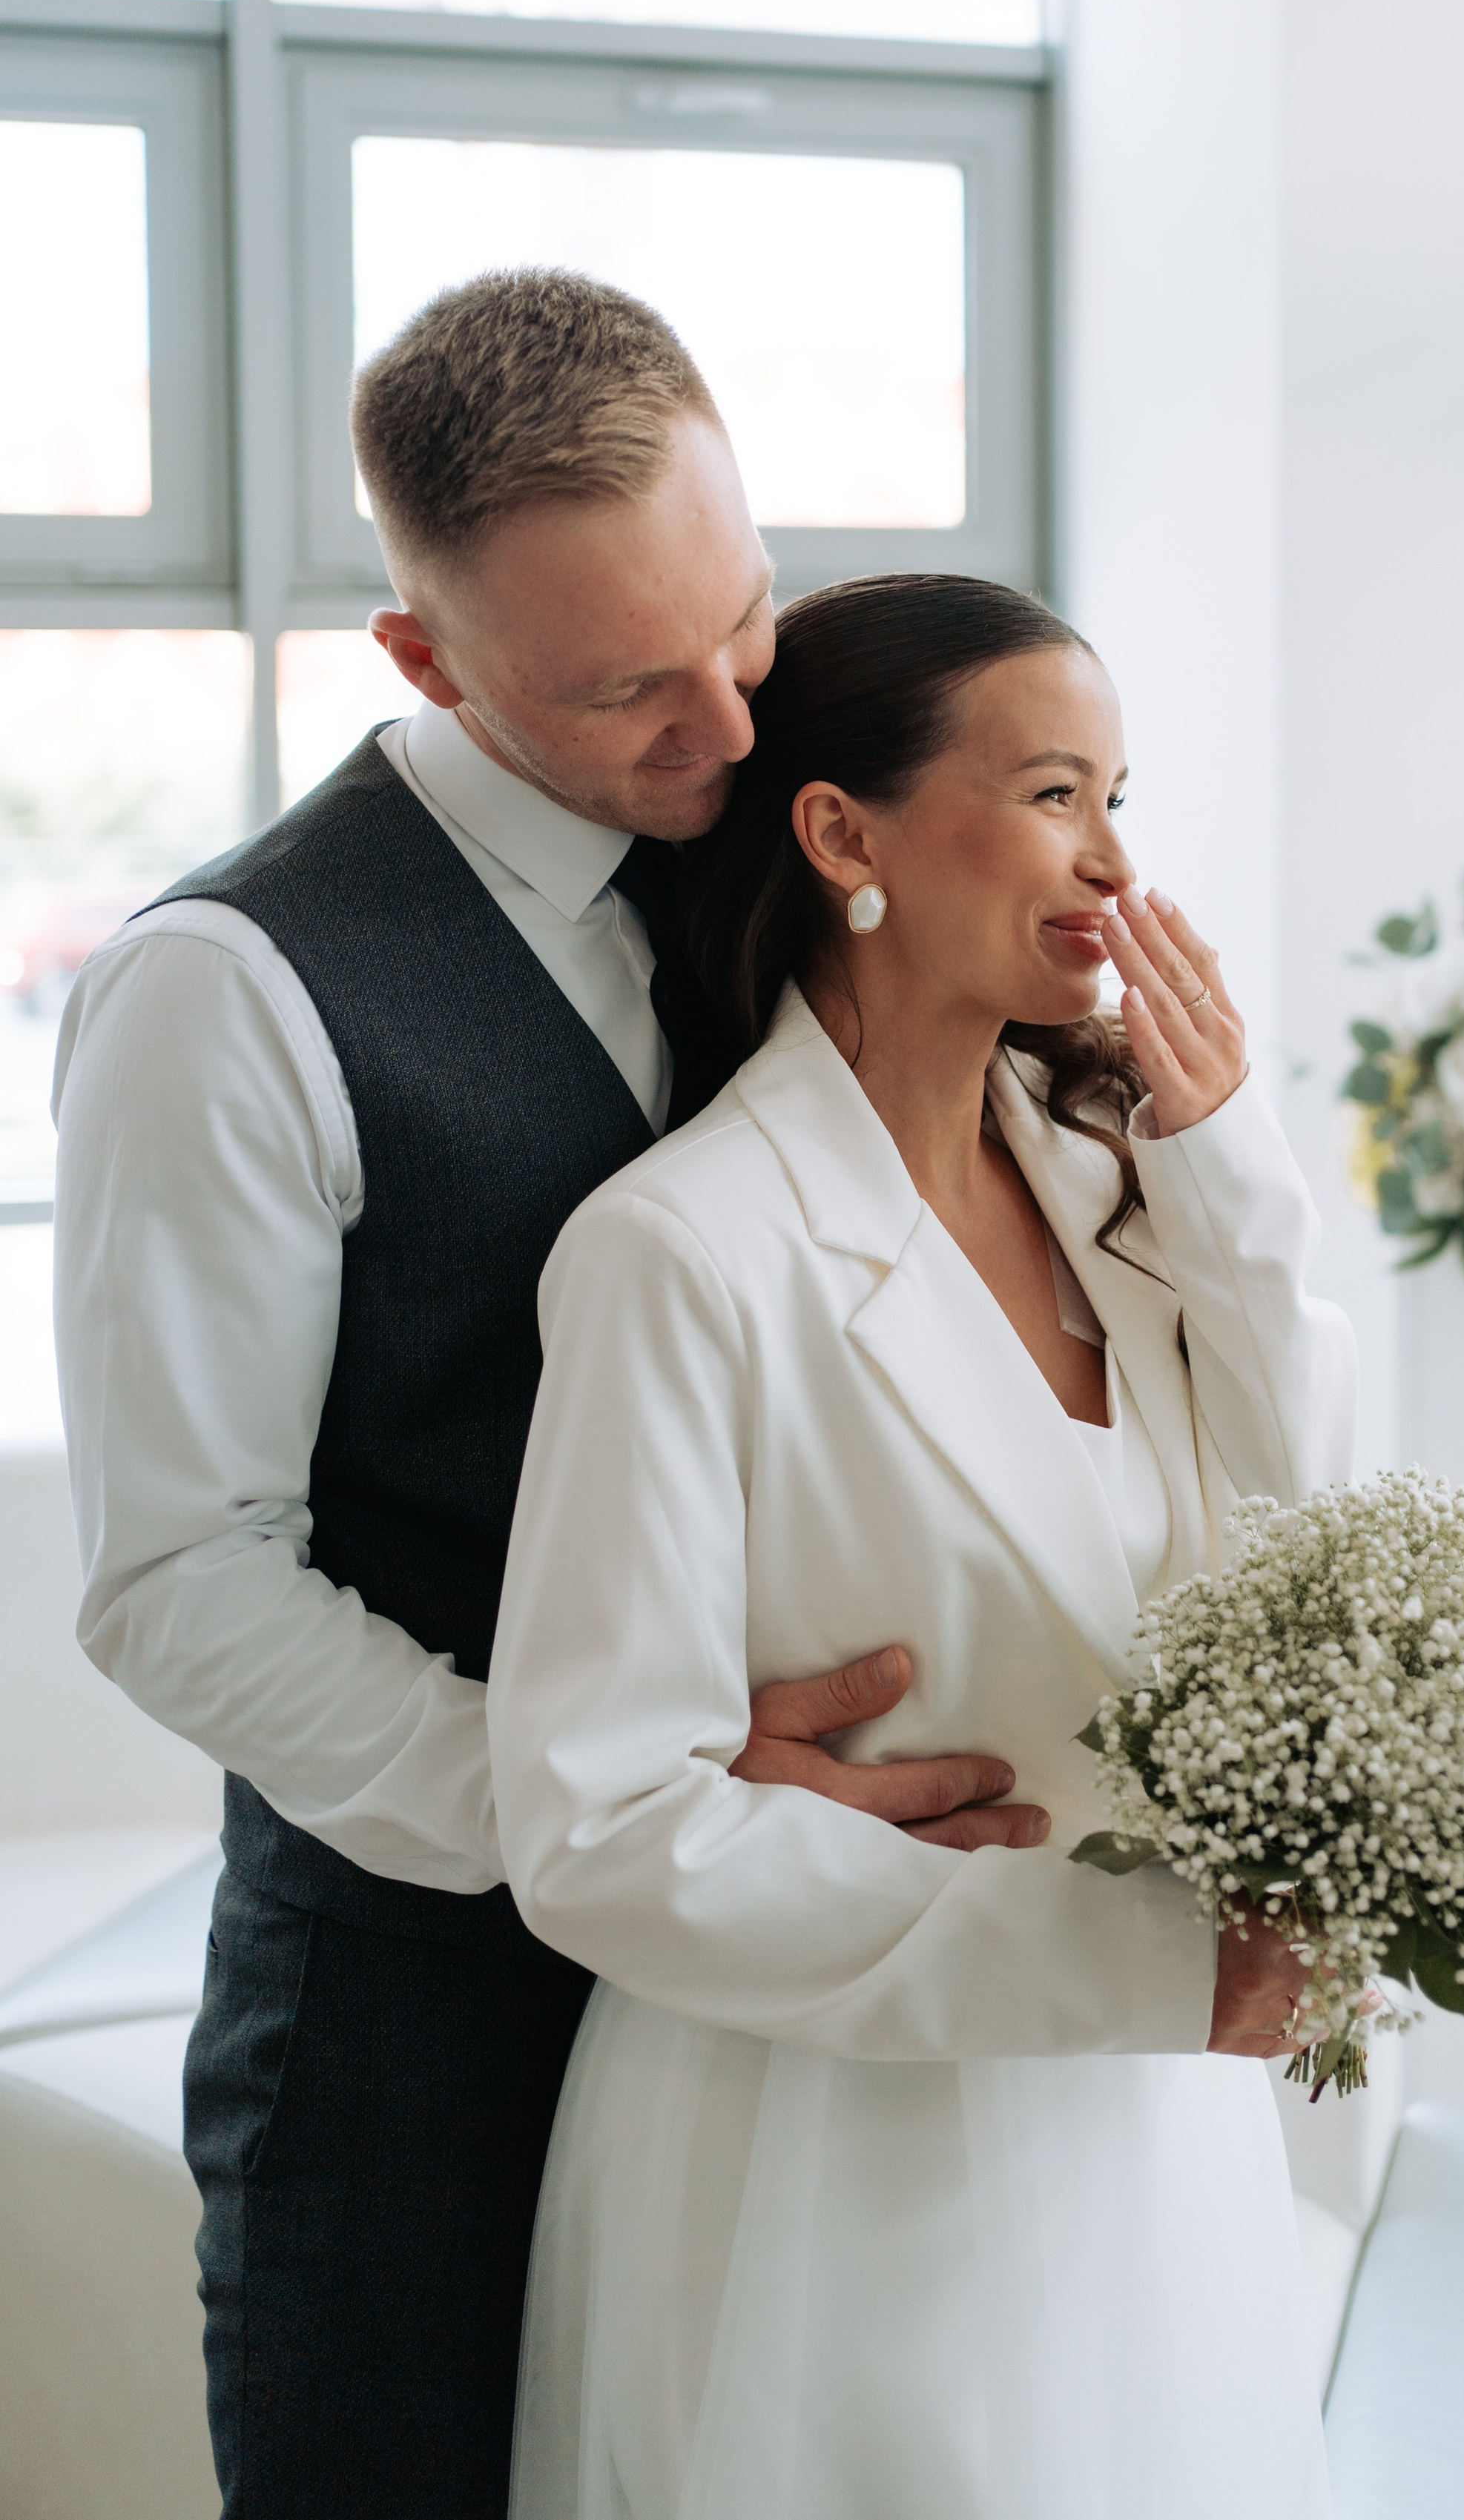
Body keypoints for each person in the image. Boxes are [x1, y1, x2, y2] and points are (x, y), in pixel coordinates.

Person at [53, 273, 1180, 2520]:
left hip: (788, 2023)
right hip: (411, 2023)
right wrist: (611, 1794)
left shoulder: (757, 836)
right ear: (424, 659)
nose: (726, 730)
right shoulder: (228, 993)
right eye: (624, 691)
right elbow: (177, 1583)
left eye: (741, 627)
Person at [489, 573, 1359, 2519]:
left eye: (1123, 795)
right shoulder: (680, 1252)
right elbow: (597, 1825)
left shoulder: (1126, 1194)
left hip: (1152, 2153)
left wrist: (1230, 1173)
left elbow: (1313, 1561)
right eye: (1057, 792)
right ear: (841, 831)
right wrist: (1145, 1959)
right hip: (837, 2171)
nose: (1113, 861)